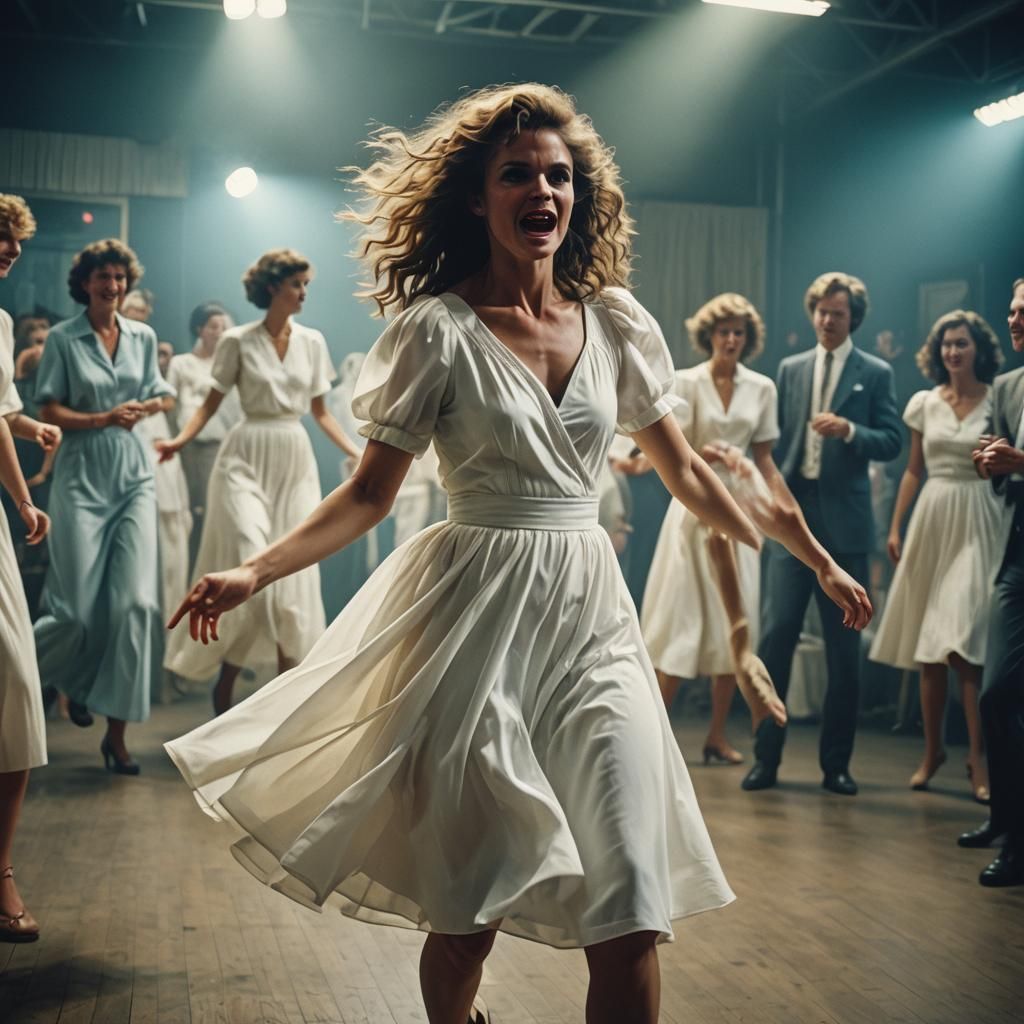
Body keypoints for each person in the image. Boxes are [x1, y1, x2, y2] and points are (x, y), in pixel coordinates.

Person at [162, 84, 867, 1023]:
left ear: (580, 196)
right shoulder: (435, 331)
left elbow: (695, 478)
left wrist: (812, 556)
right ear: (476, 198)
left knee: (631, 909)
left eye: (559, 175)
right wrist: (255, 569)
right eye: (517, 174)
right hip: (473, 622)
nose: (543, 190)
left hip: (592, 622)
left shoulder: (617, 322)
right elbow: (369, 494)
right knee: (467, 915)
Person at [158, 250, 360, 715]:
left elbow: (322, 413)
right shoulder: (236, 340)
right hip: (244, 456)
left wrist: (355, 451)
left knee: (289, 577)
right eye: (297, 284)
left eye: (307, 284)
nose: (304, 293)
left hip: (294, 459)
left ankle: (285, 706)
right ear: (273, 288)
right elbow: (209, 404)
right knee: (250, 554)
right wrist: (180, 442)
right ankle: (224, 692)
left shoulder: (312, 342)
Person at [745, 272, 902, 795]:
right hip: (793, 513)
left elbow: (892, 441)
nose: (827, 321)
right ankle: (765, 759)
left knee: (843, 650)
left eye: (837, 313)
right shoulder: (790, 369)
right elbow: (773, 443)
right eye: (821, 312)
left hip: (847, 520)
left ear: (852, 317)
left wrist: (851, 431)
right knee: (777, 635)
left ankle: (837, 764)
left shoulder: (875, 371)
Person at [32, 239, 174, 774]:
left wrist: (147, 407)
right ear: (84, 284)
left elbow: (163, 394)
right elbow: (46, 408)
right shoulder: (64, 340)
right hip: (81, 477)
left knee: (136, 605)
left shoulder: (142, 336)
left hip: (135, 475)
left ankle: (117, 735)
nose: (111, 286)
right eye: (101, 278)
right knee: (72, 609)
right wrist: (102, 418)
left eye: (118, 277)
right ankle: (48, 677)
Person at [869, 311, 1008, 799]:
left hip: (980, 519)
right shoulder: (923, 403)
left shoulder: (999, 398)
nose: (953, 351)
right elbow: (911, 471)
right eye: (946, 344)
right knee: (931, 648)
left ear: (978, 349)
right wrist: (895, 525)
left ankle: (979, 756)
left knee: (964, 644)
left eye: (962, 343)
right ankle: (933, 752)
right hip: (932, 516)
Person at [639, 294, 782, 764]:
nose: (731, 339)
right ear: (709, 335)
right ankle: (655, 738)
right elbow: (675, 454)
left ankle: (717, 735)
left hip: (741, 504)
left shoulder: (762, 388)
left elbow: (764, 459)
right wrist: (707, 457)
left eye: (740, 332)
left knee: (731, 623)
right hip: (695, 502)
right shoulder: (685, 380)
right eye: (724, 331)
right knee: (682, 618)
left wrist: (778, 508)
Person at [0, 193, 56, 943]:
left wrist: (21, 503)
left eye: (13, 244)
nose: (8, 252)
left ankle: (1, 869)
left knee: (13, 682)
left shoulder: (2, 323)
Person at [965, 281, 1024, 887]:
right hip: (1018, 558)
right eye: (1011, 311)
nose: (1013, 321)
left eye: (1023, 313)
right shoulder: (1008, 386)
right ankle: (1010, 834)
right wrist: (989, 459)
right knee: (995, 696)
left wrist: (1020, 461)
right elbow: (993, 457)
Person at [166, 302, 241, 564]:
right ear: (200, 329)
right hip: (190, 446)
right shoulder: (181, 364)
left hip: (225, 444)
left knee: (220, 510)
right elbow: (170, 406)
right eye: (213, 326)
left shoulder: (231, 363)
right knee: (193, 510)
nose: (219, 332)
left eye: (223, 327)